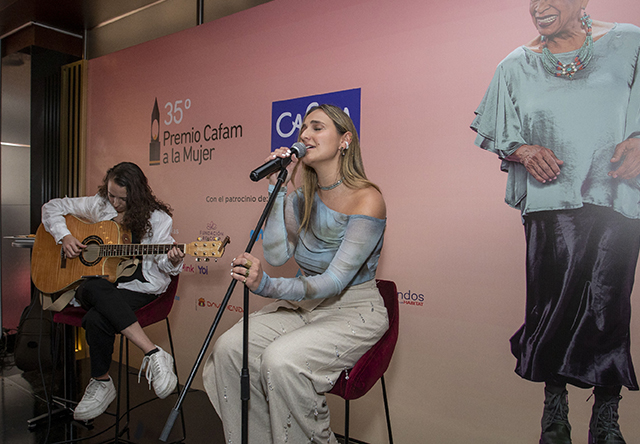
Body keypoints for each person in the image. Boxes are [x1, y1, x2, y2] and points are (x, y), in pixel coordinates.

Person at [470, 0, 640, 444]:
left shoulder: (633, 43)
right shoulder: (515, 65)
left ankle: (606, 414)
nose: (540, 6)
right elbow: (499, 135)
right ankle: (555, 408)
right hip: (550, 206)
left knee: (609, 303)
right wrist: (523, 150)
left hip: (615, 199)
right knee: (551, 304)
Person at [203, 104, 389, 443]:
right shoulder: (302, 198)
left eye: (317, 127)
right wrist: (278, 190)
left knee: (281, 360)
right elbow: (276, 255)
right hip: (306, 308)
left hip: (353, 309)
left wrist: (266, 285)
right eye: (303, 128)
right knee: (230, 349)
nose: (304, 135)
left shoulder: (367, 199)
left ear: (345, 140)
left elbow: (334, 281)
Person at [41, 162, 184, 421]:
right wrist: (65, 236)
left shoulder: (158, 219)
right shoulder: (99, 205)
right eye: (111, 195)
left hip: (139, 287)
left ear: (136, 194)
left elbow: (163, 263)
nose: (115, 203)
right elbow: (51, 207)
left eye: (122, 199)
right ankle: (153, 352)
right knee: (93, 285)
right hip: (100, 285)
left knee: (96, 317)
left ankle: (101, 381)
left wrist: (173, 260)